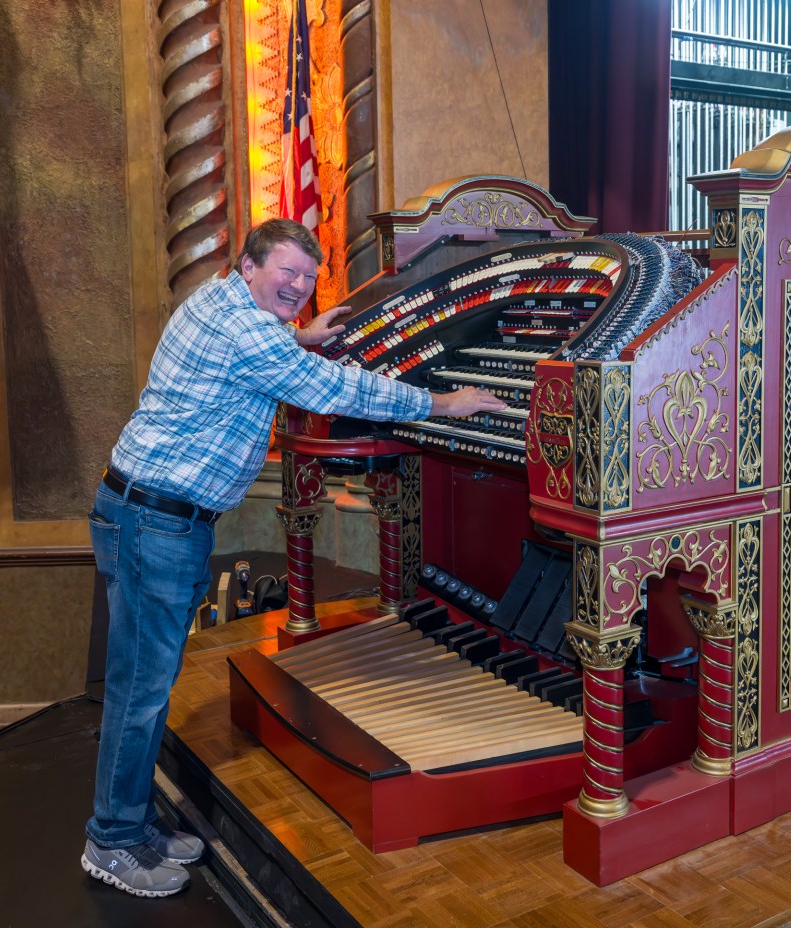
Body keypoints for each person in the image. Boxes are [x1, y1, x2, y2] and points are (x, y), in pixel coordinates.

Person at [82, 218, 505, 897]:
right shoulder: (249, 333)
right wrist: (443, 402)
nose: (301, 287)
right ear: (249, 266)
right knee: (140, 691)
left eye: (309, 278)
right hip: (154, 523)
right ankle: (111, 841)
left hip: (148, 514)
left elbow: (264, 348)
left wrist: (299, 336)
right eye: (288, 273)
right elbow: (337, 390)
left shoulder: (219, 300)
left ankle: (130, 823)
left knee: (147, 685)